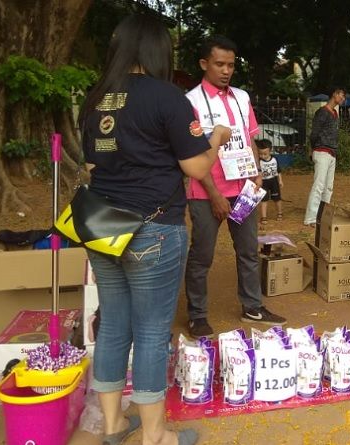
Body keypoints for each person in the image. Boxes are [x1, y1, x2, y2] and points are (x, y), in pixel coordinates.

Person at [79, 15, 219, 445]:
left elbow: (90, 164)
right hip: (153, 227)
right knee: (153, 331)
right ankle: (156, 435)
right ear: (159, 51)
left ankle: (115, 424)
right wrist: (216, 140)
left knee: (115, 324)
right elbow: (195, 166)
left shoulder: (95, 99)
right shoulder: (168, 98)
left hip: (103, 227)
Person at [183, 35, 286, 338]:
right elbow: (191, 154)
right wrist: (214, 194)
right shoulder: (191, 102)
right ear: (204, 64)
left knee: (248, 251)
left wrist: (255, 175)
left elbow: (251, 137)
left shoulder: (241, 97)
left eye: (230, 65)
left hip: (242, 190)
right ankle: (197, 315)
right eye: (219, 64)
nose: (226, 70)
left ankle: (252, 306)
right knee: (202, 255)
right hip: (205, 192)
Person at [303, 87, 346, 227]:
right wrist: (313, 148)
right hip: (322, 151)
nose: (343, 99)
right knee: (319, 185)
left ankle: (322, 215)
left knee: (328, 187)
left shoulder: (334, 113)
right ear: (334, 94)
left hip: (332, 152)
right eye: (342, 95)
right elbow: (314, 132)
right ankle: (310, 218)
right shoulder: (322, 112)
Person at [257, 139, 283, 225]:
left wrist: (280, 180)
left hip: (274, 181)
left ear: (270, 151)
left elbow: (278, 171)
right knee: (264, 200)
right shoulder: (259, 161)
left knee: (277, 199)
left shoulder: (275, 159)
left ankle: (280, 213)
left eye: (265, 154)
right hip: (263, 182)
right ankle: (263, 217)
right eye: (261, 154)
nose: (263, 156)